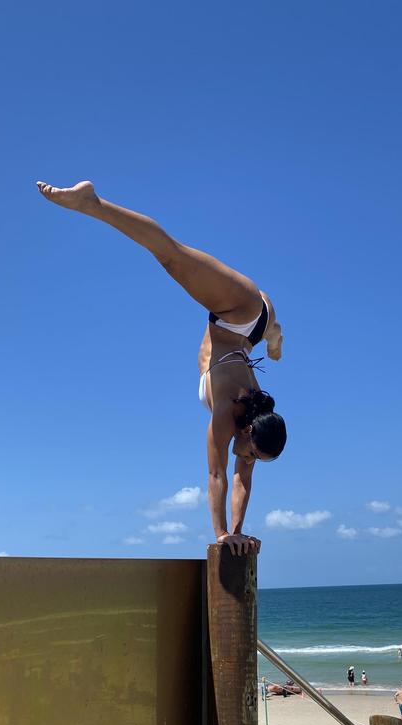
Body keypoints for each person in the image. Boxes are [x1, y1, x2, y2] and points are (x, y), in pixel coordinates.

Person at [37, 180, 287, 556]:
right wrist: (222, 535)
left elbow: (242, 481)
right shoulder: (228, 410)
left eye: (253, 458)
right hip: (242, 310)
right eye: (252, 453)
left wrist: (240, 533)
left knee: (266, 328)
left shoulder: (251, 432)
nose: (247, 459)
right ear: (250, 430)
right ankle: (92, 202)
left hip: (251, 329)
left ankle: (275, 336)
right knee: (172, 256)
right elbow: (217, 475)